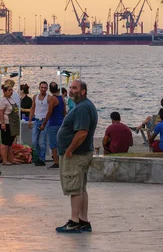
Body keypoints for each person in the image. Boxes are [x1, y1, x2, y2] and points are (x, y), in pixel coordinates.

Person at [55, 80, 97, 233]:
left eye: (75, 88)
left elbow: (82, 132)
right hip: (81, 153)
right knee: (80, 188)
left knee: (75, 188)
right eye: (70, 88)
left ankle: (74, 221)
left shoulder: (83, 108)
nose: (71, 90)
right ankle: (83, 220)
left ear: (83, 91)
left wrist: (69, 150)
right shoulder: (83, 106)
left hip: (76, 154)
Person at [41, 82, 65, 169]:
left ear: (50, 90)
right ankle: (62, 160)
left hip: (53, 123)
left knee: (53, 143)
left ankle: (56, 162)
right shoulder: (61, 98)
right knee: (60, 142)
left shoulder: (52, 99)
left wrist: (44, 123)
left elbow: (49, 112)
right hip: (61, 122)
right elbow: (64, 111)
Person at [29, 81, 50, 166]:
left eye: (45, 88)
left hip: (45, 120)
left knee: (43, 141)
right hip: (37, 119)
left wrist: (45, 122)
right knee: (34, 141)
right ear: (39, 88)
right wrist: (30, 120)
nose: (43, 89)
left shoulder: (49, 98)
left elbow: (50, 110)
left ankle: (42, 158)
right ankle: (38, 156)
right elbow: (33, 108)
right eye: (42, 87)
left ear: (47, 89)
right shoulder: (35, 97)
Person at [0, 84, 18, 165]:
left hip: (12, 123)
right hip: (5, 123)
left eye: (11, 90)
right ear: (4, 91)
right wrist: (2, 123)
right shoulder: (2, 100)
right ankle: (4, 160)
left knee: (10, 142)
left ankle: (11, 159)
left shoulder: (11, 99)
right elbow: (1, 113)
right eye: (9, 90)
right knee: (5, 142)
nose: (11, 92)